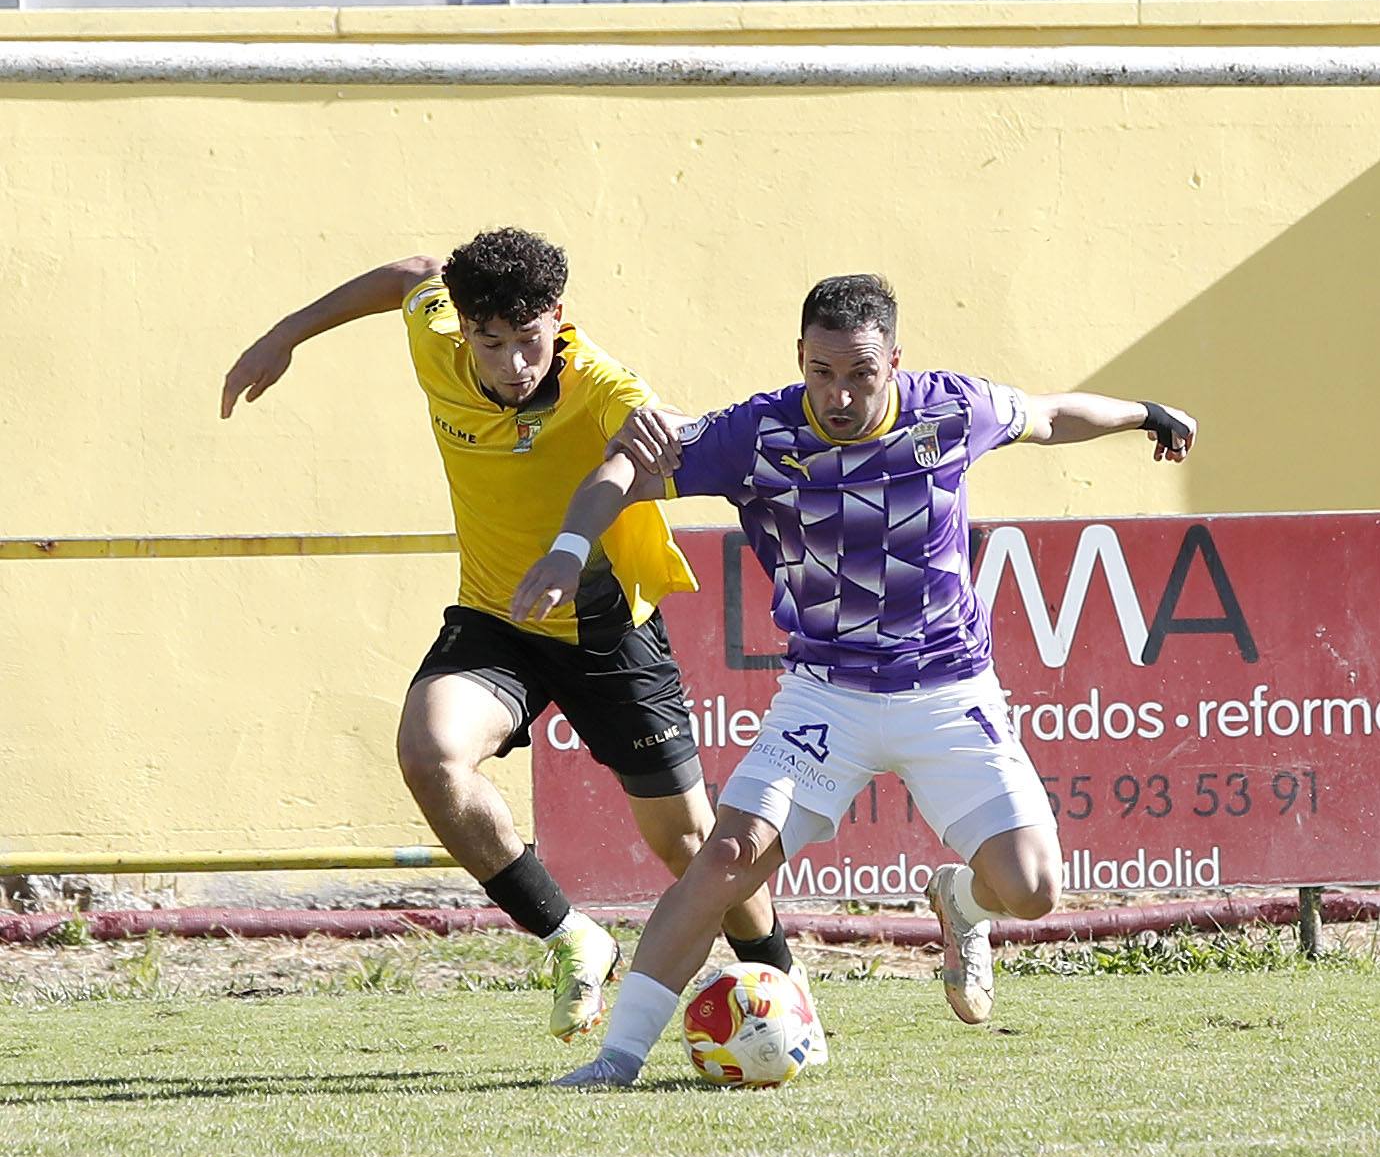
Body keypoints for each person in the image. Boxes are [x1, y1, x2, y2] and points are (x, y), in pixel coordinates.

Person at [512, 272, 1197, 1086]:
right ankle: (616, 1061)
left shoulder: (952, 409)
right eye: (822, 372)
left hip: (949, 691)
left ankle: (962, 904)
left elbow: (1049, 416)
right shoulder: (755, 434)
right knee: (727, 857)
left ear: (895, 363)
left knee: (1036, 889)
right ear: (800, 358)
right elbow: (623, 471)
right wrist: (566, 547)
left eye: (860, 374)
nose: (838, 395)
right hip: (825, 697)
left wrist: (1148, 414)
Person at [221, 227, 810, 1047]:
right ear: (462, 328)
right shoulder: (438, 338)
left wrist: (656, 429)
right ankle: (575, 939)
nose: (512, 363)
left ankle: (781, 982)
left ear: (557, 319)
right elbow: (412, 272)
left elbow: (647, 421)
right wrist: (283, 335)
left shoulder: (599, 381)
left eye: (528, 340)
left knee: (690, 847)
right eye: (489, 342)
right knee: (430, 755)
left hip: (609, 631)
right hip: (497, 619)